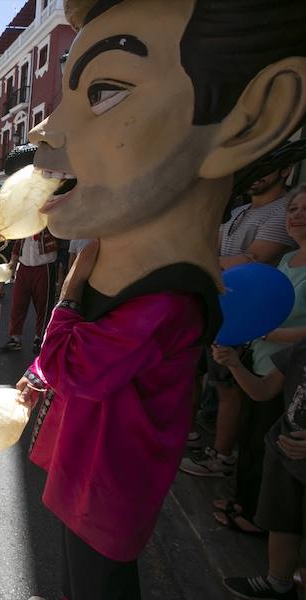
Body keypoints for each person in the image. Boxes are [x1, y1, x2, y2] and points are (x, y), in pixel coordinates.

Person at [17, 0, 306, 597]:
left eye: (103, 91)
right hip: (88, 477)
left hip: (108, 491)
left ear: (254, 119)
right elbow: (73, 368)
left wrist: (68, 298)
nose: (42, 129)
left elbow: (83, 367)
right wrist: (43, 372)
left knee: (96, 585)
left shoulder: (169, 298)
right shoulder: (150, 286)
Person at [182, 165, 299, 478]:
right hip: (215, 306)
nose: (257, 173)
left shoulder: (281, 211)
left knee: (229, 388)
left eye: (266, 167)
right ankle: (186, 435)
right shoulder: (240, 210)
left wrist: (202, 261)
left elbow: (255, 258)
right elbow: (217, 252)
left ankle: (221, 457)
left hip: (247, 317)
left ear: (285, 170)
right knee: (196, 374)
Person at [213, 340, 306, 600]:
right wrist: (233, 363)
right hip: (283, 455)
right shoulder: (299, 350)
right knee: (282, 524)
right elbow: (262, 391)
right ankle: (278, 583)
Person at [0, 227, 60, 354]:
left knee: (43, 305)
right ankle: (15, 338)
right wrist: (13, 262)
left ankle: (40, 338)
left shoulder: (50, 221)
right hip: (24, 268)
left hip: (44, 267)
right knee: (17, 304)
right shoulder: (25, 225)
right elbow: (18, 243)